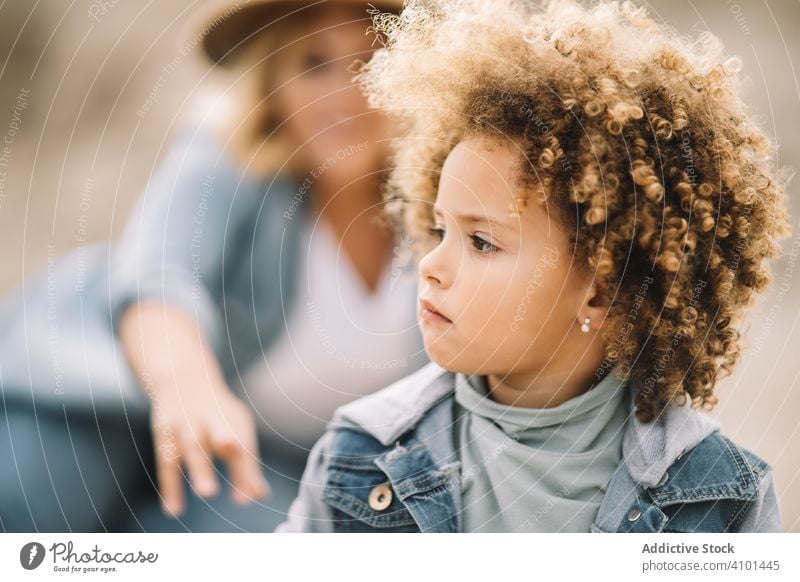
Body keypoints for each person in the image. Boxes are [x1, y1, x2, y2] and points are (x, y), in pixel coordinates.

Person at [276, 0, 791, 533]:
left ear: (603, 293)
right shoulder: (359, 456)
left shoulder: (718, 498)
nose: (429, 265)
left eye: (480, 242)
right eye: (439, 230)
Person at [0, 0, 428, 533]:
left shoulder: (444, 201)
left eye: (371, 63)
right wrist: (185, 386)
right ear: (275, 87)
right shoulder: (229, 155)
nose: (344, 94)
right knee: (35, 518)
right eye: (314, 64)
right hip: (88, 384)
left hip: (260, 456)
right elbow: (161, 273)